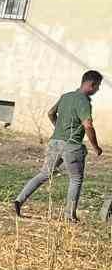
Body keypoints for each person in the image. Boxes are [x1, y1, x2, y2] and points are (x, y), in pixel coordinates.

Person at [14, 70, 103, 221]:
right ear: (91, 84)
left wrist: (58, 129)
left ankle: (18, 200)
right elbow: (88, 125)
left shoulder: (66, 96)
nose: (98, 90)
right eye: (98, 86)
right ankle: (69, 216)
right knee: (76, 179)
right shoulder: (83, 101)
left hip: (54, 142)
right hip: (72, 146)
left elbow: (50, 113)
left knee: (44, 174)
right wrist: (96, 147)